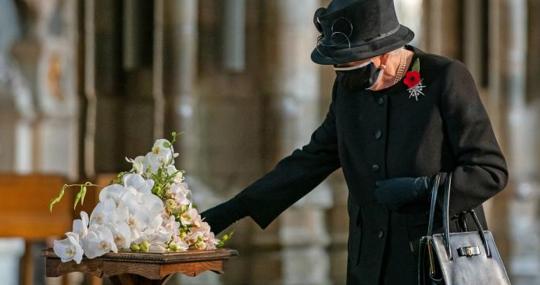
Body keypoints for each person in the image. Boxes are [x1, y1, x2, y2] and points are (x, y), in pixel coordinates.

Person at [201, 0, 509, 284]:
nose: (349, 82)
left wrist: (423, 190)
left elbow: (490, 171)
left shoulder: (445, 77)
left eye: (355, 72)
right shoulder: (347, 91)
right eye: (340, 71)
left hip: (434, 264)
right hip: (370, 266)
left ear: (385, 53)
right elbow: (312, 159)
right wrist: (231, 211)